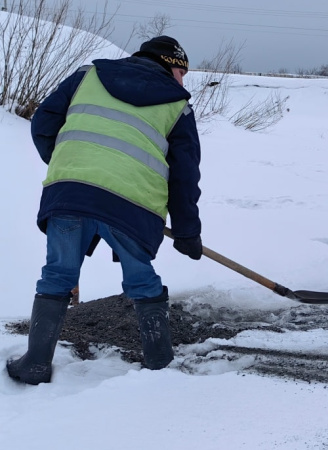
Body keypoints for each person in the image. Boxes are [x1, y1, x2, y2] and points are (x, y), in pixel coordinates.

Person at [7, 36, 203, 385]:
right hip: (132, 205)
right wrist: (187, 230)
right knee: (141, 279)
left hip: (70, 194)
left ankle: (35, 363)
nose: (183, 81)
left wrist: (70, 168)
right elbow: (184, 175)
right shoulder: (178, 106)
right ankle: (159, 364)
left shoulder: (88, 75)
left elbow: (43, 122)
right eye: (182, 72)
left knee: (57, 275)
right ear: (170, 65)